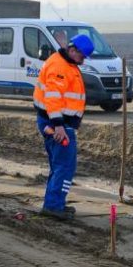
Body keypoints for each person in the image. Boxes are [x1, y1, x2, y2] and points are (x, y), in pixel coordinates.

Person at [33, 33, 94, 220]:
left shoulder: (66, 62)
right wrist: (59, 126)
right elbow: (53, 98)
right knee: (65, 166)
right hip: (57, 124)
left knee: (59, 166)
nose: (83, 61)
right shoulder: (59, 66)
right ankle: (53, 206)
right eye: (82, 56)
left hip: (58, 123)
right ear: (72, 50)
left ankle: (55, 203)